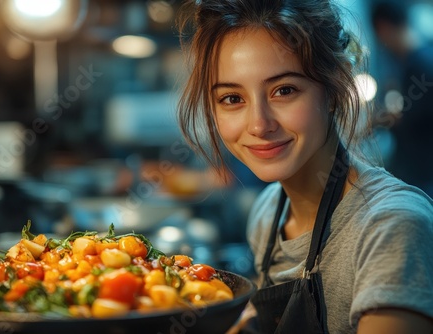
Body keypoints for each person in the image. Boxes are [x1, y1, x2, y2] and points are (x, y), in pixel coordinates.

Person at [176, 0, 433, 333]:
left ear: (334, 90)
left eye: (284, 90)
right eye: (232, 98)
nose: (259, 125)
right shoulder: (268, 214)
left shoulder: (391, 228)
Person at [371, 1, 433, 197]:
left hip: (424, 172)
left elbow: (409, 119)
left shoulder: (419, 64)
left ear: (383, 27)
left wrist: (377, 120)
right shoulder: (423, 56)